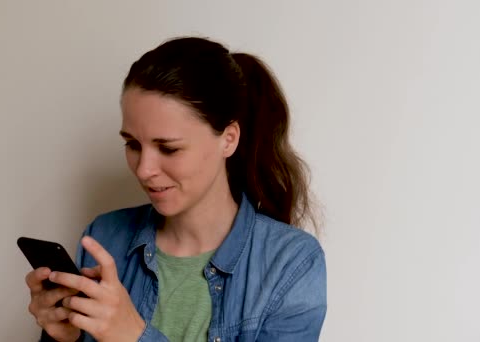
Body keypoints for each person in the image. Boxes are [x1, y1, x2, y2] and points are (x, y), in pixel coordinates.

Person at [25, 36, 327, 342]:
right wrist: (64, 338)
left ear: (228, 139)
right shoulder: (104, 237)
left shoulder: (290, 262)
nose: (143, 169)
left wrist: (133, 336)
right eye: (132, 144)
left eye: (168, 148)